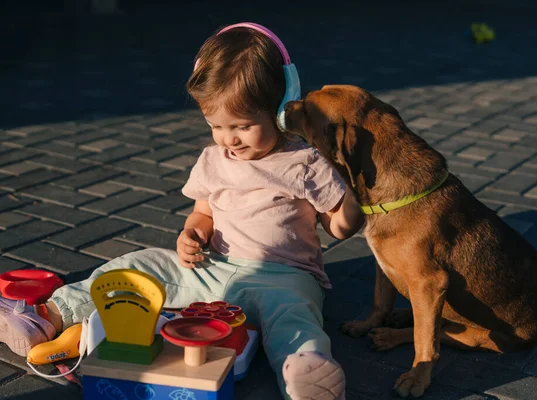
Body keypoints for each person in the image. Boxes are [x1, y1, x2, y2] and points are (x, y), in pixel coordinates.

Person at [0, 23, 363, 400]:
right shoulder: (213, 159)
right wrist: (192, 233)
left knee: (295, 317)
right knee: (140, 266)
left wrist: (355, 200)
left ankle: (305, 371)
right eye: (216, 126)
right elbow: (202, 213)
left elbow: (338, 227)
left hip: (284, 278)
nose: (229, 138)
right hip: (212, 271)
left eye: (243, 126)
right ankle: (46, 316)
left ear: (283, 105)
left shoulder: (305, 161)